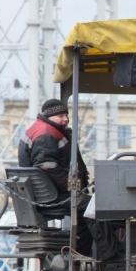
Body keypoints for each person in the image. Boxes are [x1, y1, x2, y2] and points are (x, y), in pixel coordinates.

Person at [18, 98, 94, 257]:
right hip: (53, 196)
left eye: (66, 114)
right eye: (61, 115)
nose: (65, 118)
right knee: (95, 208)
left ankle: (81, 255)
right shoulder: (46, 133)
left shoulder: (45, 130)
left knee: (86, 212)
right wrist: (71, 185)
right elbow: (47, 166)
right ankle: (112, 254)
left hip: (49, 193)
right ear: (50, 116)